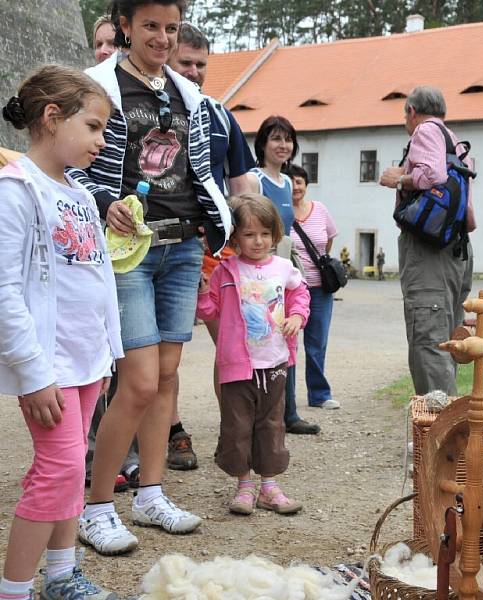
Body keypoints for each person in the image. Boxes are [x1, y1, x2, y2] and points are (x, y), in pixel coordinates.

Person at [68, 0, 232, 556]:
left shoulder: (188, 94)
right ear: (123, 27)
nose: (162, 38)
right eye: (150, 27)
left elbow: (203, 169)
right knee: (136, 381)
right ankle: (95, 507)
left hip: (184, 247)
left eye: (169, 27)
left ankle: (151, 493)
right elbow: (68, 168)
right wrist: (102, 201)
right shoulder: (98, 85)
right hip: (129, 251)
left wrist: (217, 225)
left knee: (165, 378)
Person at [0, 64, 122, 600]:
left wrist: (109, 348)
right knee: (58, 471)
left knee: (73, 471)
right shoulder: (16, 189)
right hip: (47, 366)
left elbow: (94, 277)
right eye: (94, 127)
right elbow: (4, 289)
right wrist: (31, 372)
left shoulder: (77, 191)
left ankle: (63, 573)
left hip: (86, 358)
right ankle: (14, 589)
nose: (102, 140)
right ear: (53, 117)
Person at [164, 21, 257, 471]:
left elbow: (242, 185)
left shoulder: (220, 115)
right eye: (187, 62)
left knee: (234, 349)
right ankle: (173, 430)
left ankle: (236, 433)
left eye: (202, 64)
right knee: (168, 353)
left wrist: (252, 246)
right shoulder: (150, 110)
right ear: (167, 57)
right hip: (166, 246)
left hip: (216, 253)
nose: (196, 72)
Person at [196, 194, 309, 515]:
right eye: (249, 234)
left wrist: (297, 317)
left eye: (264, 233)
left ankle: (269, 487)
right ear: (235, 237)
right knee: (237, 426)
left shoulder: (284, 268)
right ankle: (244, 486)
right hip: (237, 366)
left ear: (275, 234)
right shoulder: (225, 271)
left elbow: (300, 296)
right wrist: (203, 291)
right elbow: (209, 310)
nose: (258, 241)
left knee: (271, 425)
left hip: (274, 362)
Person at [378, 86, 475, 396]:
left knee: (429, 342)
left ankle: (437, 435)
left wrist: (399, 178)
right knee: (446, 339)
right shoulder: (455, 142)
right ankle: (448, 430)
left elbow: (432, 175)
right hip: (456, 250)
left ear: (411, 111)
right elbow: (469, 215)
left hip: (430, 254)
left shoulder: (424, 131)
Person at [85, 10, 139, 497]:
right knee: (93, 361)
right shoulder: (81, 108)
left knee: (124, 363)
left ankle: (125, 455)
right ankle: (88, 458)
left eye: (111, 45)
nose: (104, 51)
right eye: (97, 44)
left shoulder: (122, 114)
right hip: (87, 249)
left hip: (123, 247)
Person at [243, 116, 320, 435]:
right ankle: (261, 411)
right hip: (259, 271)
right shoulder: (253, 179)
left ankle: (288, 411)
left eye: (287, 139)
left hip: (284, 264)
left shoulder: (288, 182)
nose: (282, 145)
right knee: (261, 337)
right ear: (262, 143)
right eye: (275, 138)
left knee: (289, 335)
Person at [286, 164, 340, 410]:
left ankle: (319, 394)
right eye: (291, 182)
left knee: (317, 342)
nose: (296, 186)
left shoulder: (320, 210)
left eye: (300, 181)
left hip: (320, 288)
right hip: (291, 287)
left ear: (306, 185)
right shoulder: (281, 212)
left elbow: (327, 240)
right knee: (288, 342)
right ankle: (287, 400)